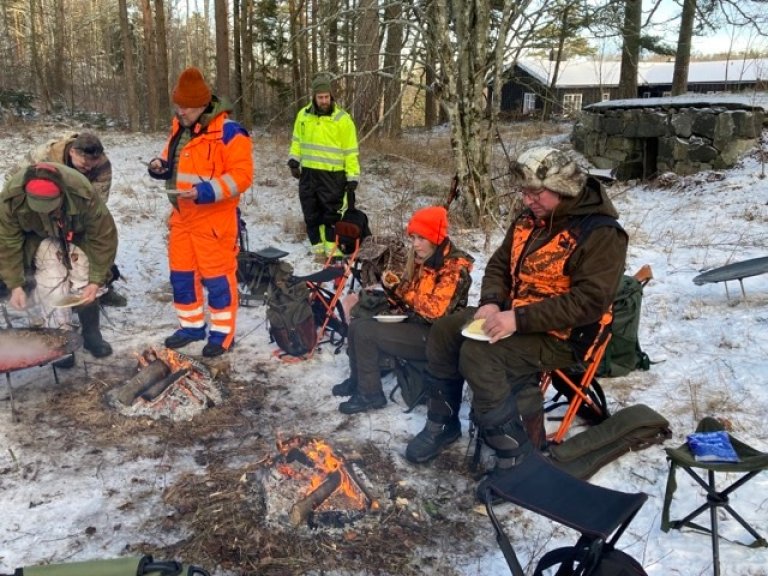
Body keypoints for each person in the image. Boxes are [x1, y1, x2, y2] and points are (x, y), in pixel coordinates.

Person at [404, 147, 628, 502]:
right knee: (446, 330)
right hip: (514, 313)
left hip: (564, 335)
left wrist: (517, 319)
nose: (527, 199)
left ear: (562, 189)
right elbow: (497, 264)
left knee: (479, 355)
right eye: (524, 192)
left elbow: (588, 303)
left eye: (534, 193)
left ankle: (514, 458)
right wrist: (492, 300)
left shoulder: (600, 233)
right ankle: (443, 423)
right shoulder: (530, 219)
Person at [148, 66, 253, 358]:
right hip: (181, 218)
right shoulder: (180, 126)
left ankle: (222, 334)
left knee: (218, 279)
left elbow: (241, 177)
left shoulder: (230, 133)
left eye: (184, 107)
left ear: (201, 105)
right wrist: (159, 166)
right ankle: (191, 326)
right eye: (177, 105)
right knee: (181, 277)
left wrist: (206, 191)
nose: (179, 111)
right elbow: (173, 160)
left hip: (214, 221)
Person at [334, 206, 474, 414]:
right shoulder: (425, 258)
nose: (415, 244)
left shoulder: (453, 267)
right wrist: (392, 290)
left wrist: (400, 288)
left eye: (421, 238)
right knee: (358, 325)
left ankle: (370, 395)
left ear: (435, 238)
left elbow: (435, 311)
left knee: (365, 333)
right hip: (418, 324)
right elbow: (413, 298)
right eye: (413, 238)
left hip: (438, 337)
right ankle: (359, 381)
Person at [0, 162, 118, 365]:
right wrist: (15, 285)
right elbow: (7, 243)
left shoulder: (82, 193)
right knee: (50, 282)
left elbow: (104, 237)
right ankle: (60, 341)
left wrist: (96, 280)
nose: (45, 212)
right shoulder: (11, 199)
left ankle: (91, 335)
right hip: (38, 237)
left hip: (80, 235)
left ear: (62, 195)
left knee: (84, 281)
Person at [10, 131, 126, 307]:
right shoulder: (44, 156)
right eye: (83, 164)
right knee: (38, 247)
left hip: (79, 205)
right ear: (72, 152)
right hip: (41, 202)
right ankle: (32, 287)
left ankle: (102, 286)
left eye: (91, 166)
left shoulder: (101, 165)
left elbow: (97, 203)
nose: (88, 168)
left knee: (96, 238)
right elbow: (15, 181)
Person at [287, 73, 360, 258]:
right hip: (309, 174)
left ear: (331, 96)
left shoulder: (342, 120)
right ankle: (318, 251)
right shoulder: (303, 116)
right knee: (310, 213)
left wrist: (352, 176)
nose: (324, 101)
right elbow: (297, 140)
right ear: (314, 97)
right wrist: (294, 160)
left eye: (327, 97)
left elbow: (350, 151)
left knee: (331, 216)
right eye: (320, 97)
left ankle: (333, 253)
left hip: (333, 176)